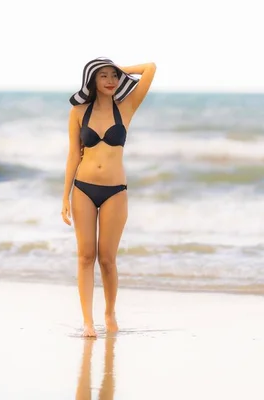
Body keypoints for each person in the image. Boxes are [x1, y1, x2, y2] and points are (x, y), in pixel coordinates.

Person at [61, 57, 156, 337]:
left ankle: (109, 312)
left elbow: (150, 68)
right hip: (83, 189)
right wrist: (64, 196)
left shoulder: (126, 107)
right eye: (102, 76)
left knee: (107, 259)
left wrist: (119, 69)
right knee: (85, 256)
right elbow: (72, 155)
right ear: (92, 80)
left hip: (116, 191)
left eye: (113, 76)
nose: (110, 80)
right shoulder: (78, 112)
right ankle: (88, 321)